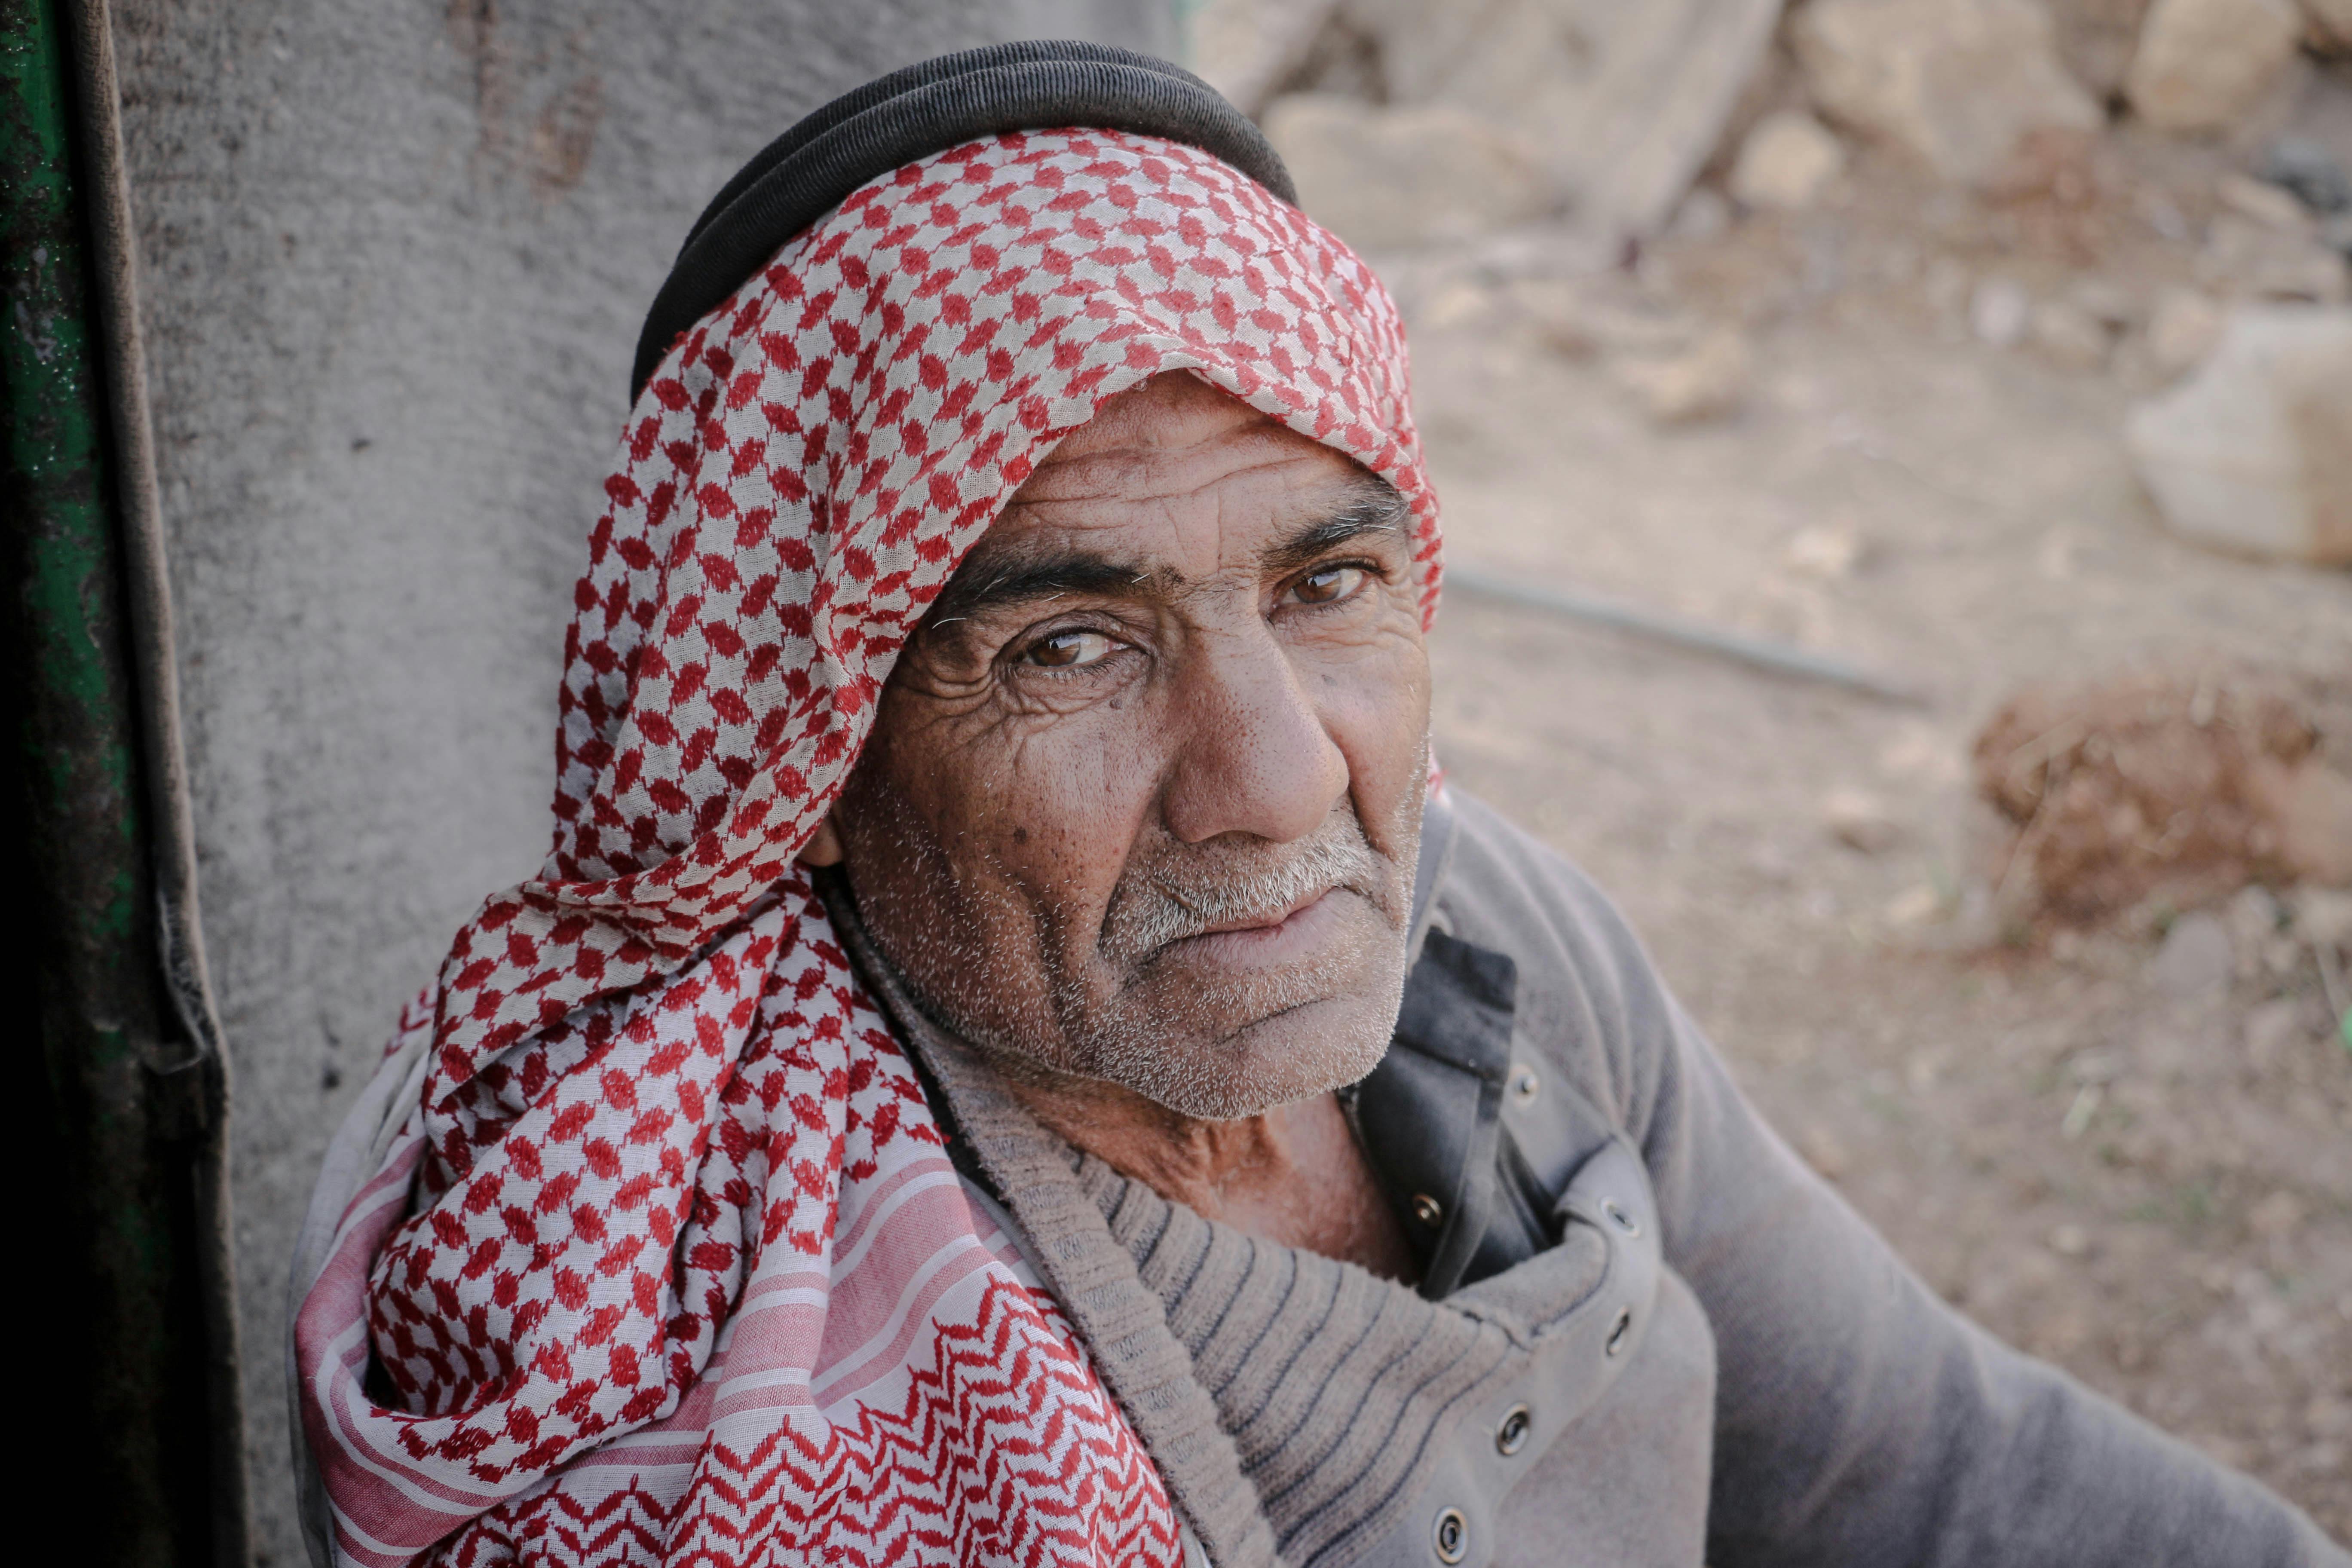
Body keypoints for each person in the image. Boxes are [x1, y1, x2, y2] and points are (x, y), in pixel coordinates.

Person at [288, 41, 2350, 1568]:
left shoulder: (1496, 931)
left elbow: (1929, 1468)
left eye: (1327, 586)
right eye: (1070, 647)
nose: (1281, 784)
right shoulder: (737, 1373)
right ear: (810, 762)